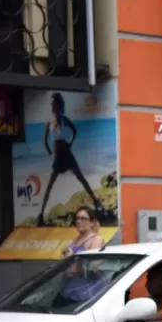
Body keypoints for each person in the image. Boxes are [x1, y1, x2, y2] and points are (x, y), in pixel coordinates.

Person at [36, 93, 104, 226]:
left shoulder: (63, 119)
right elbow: (44, 141)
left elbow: (74, 130)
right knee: (49, 186)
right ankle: (41, 214)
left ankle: (96, 201)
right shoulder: (49, 123)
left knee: (81, 178)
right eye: (51, 104)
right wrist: (50, 152)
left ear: (59, 106)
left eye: (54, 104)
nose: (52, 106)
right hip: (58, 156)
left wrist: (70, 143)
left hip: (67, 154)